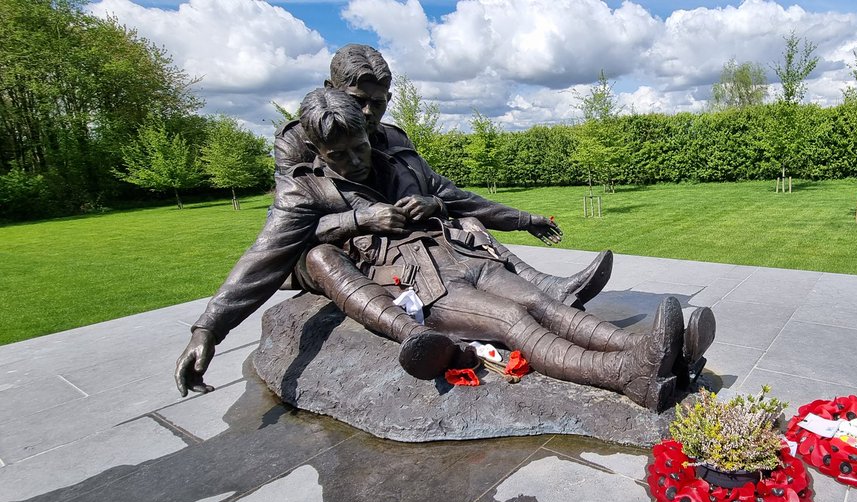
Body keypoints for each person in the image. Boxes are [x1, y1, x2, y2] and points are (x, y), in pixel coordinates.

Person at [175, 88, 715, 411]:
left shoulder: (398, 157)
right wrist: (208, 330)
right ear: (316, 153)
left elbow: (453, 199)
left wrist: (433, 209)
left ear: (370, 130)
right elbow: (262, 260)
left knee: (544, 304)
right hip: (418, 285)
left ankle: (652, 352)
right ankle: (629, 377)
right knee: (516, 321)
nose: (355, 161)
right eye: (338, 156)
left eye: (360, 146)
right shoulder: (303, 188)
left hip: (459, 255)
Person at [274, 44, 611, 308]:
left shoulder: (394, 139)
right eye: (357, 101)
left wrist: (521, 218)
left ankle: (545, 285)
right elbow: (288, 229)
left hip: (403, 242)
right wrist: (359, 219)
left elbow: (450, 195)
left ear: (389, 99)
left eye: (377, 104)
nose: (368, 114)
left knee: (467, 224)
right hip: (341, 252)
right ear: (330, 89)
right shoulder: (296, 142)